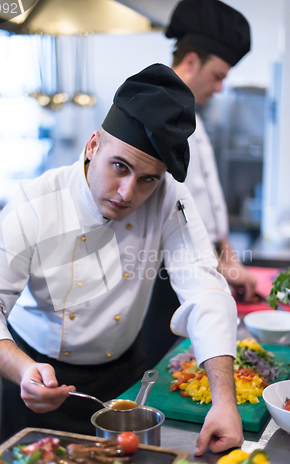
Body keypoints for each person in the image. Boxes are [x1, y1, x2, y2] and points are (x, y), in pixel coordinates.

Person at [0, 63, 243, 456]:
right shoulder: (36, 202)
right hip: (37, 379)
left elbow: (206, 288)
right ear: (93, 145)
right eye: (120, 167)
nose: (127, 193)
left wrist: (224, 401)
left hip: (123, 381)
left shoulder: (168, 199)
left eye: (147, 179)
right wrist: (23, 371)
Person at [141, 0, 258, 368]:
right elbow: (171, 210)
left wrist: (226, 252)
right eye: (218, 76)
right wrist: (218, 263)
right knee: (169, 370)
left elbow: (206, 197)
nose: (221, 88)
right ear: (191, 62)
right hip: (167, 278)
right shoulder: (157, 114)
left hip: (203, 264)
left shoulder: (192, 112)